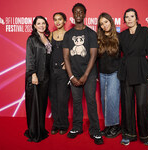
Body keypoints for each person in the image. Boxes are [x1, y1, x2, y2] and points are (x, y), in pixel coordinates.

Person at [63, 3, 104, 145]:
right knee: (76, 101)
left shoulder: (91, 34)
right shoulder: (68, 35)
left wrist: (86, 75)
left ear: (85, 14)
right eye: (76, 12)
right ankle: (76, 127)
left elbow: (93, 55)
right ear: (73, 15)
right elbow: (66, 57)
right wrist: (71, 76)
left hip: (90, 74)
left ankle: (95, 131)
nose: (78, 14)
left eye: (81, 12)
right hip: (74, 73)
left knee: (91, 101)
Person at [118, 8, 148, 146]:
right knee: (127, 104)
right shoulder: (122, 35)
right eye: (127, 17)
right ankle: (128, 134)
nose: (129, 19)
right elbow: (115, 53)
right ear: (124, 20)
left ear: (137, 18)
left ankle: (146, 134)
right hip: (127, 71)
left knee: (142, 105)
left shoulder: (145, 31)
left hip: (142, 70)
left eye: (132, 16)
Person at [24, 16, 51, 142]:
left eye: (43, 23)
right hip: (35, 76)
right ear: (34, 25)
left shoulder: (46, 38)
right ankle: (34, 132)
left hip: (46, 77)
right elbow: (30, 58)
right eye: (38, 23)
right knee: (34, 105)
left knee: (42, 104)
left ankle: (40, 128)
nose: (41, 25)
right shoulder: (31, 39)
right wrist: (32, 74)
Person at [97, 12, 121, 138]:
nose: (104, 25)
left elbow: (126, 56)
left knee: (112, 100)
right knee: (104, 100)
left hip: (114, 73)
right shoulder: (98, 38)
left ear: (111, 22)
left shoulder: (118, 36)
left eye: (106, 22)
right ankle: (108, 126)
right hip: (102, 73)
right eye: (101, 23)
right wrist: (96, 74)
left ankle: (115, 127)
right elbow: (95, 58)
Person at [48, 12, 70, 135]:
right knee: (54, 99)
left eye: (60, 19)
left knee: (62, 99)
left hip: (63, 72)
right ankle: (56, 124)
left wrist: (67, 64)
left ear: (64, 21)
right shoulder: (51, 35)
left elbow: (73, 51)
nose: (57, 22)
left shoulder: (68, 35)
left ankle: (63, 124)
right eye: (55, 20)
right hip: (52, 71)